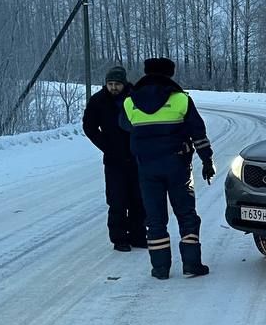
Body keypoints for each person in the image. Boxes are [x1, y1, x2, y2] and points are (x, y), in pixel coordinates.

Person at [120, 57, 215, 279]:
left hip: (146, 168)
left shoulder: (129, 102)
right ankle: (191, 264)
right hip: (178, 166)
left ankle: (160, 268)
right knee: (186, 214)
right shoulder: (181, 100)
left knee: (154, 218)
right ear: (169, 74)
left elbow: (124, 125)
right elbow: (198, 133)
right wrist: (207, 161)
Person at [82, 65, 147, 252]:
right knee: (117, 200)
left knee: (139, 199)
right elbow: (89, 127)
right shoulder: (98, 101)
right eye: (110, 84)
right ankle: (119, 238)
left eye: (117, 84)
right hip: (114, 159)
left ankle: (138, 235)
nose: (113, 88)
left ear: (123, 83)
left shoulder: (135, 97)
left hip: (136, 157)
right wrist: (106, 146)